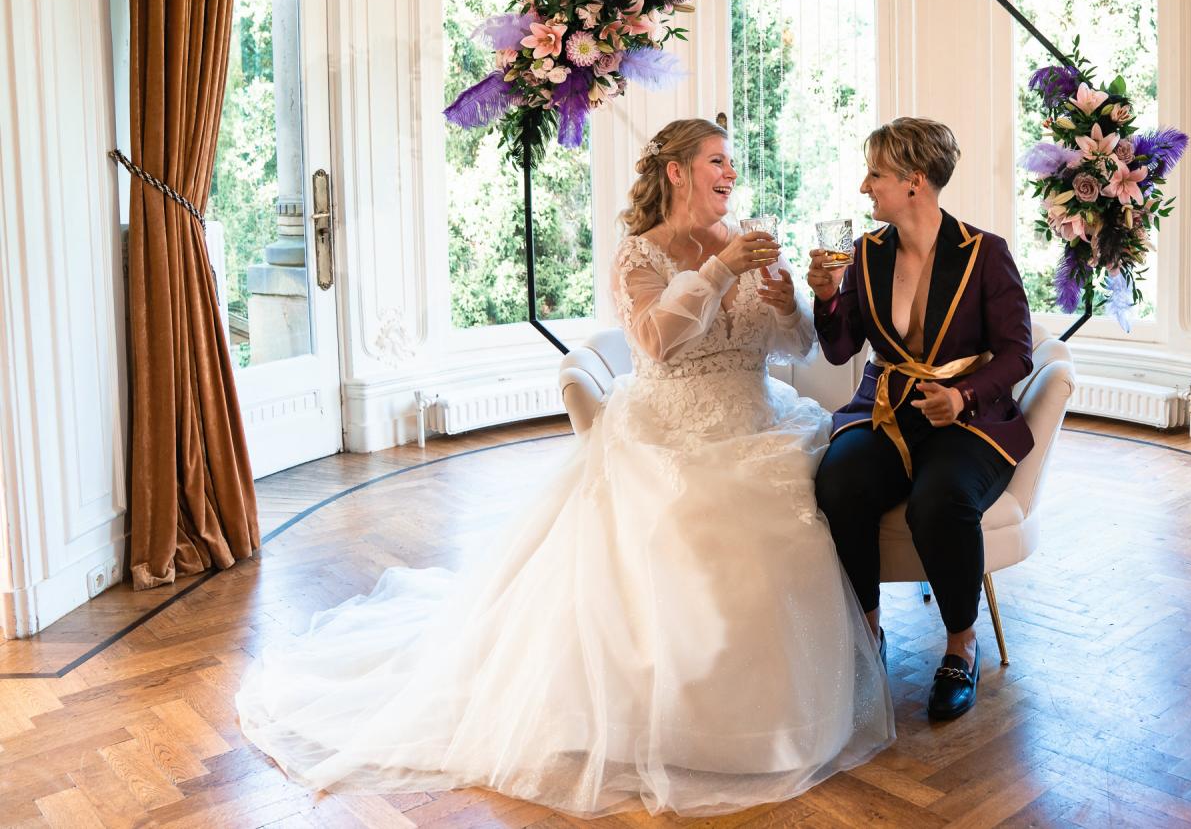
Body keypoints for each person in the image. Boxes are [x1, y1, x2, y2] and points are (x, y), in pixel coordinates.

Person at [236, 118, 894, 817]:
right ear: (676, 172)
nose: (729, 172)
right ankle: (689, 720)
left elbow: (801, 348)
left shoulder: (749, 241)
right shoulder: (640, 253)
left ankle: (796, 706)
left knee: (798, 504)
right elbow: (655, 343)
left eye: (731, 161)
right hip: (672, 432)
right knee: (709, 525)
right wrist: (721, 268)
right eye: (715, 160)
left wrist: (790, 295)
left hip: (761, 422)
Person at [806, 117, 1034, 721]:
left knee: (941, 500)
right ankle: (869, 635)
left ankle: (961, 645)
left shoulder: (986, 254)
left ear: (914, 182)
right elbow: (838, 346)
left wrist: (962, 397)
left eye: (874, 174)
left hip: (968, 420)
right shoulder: (865, 252)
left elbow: (1016, 353)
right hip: (886, 410)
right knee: (838, 481)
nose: (863, 187)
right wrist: (828, 297)